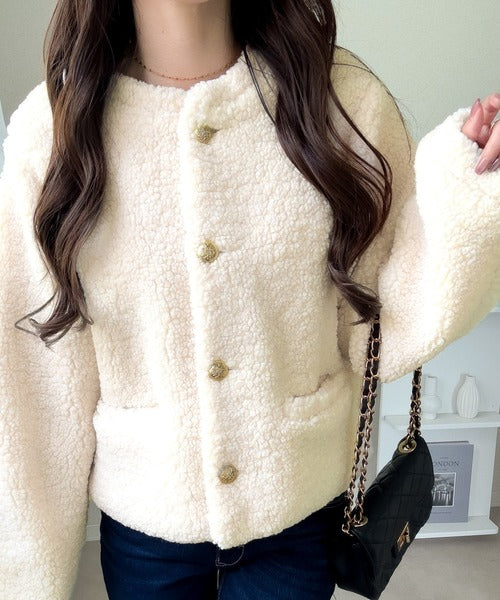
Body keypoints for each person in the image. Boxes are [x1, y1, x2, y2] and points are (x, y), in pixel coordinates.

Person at [0, 1, 498, 599]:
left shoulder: (342, 102)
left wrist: (470, 197)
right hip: (145, 524)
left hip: (296, 511)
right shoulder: (54, 130)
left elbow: (384, 327)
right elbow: (36, 386)